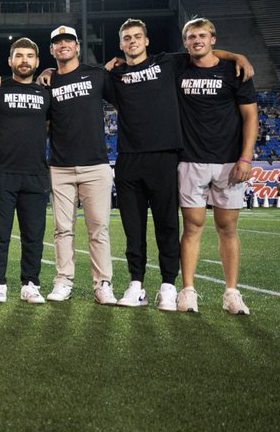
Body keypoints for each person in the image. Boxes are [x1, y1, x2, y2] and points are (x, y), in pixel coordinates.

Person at [106, 18, 252, 309]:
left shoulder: (167, 63)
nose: (132, 41)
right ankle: (136, 284)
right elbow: (81, 78)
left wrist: (238, 56)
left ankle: (169, 286)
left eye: (137, 36)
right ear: (121, 44)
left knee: (168, 226)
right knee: (133, 229)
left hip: (166, 156)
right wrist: (48, 71)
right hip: (129, 158)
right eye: (127, 38)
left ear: (147, 41)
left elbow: (202, 50)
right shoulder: (114, 73)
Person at [175, 17, 257, 315]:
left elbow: (250, 116)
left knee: (227, 228)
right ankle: (188, 290)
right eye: (191, 36)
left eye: (202, 35)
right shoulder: (179, 67)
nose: (197, 40)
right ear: (185, 42)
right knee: (192, 226)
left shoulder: (234, 71)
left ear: (213, 39)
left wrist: (245, 158)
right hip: (190, 159)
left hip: (228, 162)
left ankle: (231, 292)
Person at [44, 25, 118, 305]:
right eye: (58, 42)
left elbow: (124, 98)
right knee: (62, 229)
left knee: (98, 228)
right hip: (60, 166)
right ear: (52, 49)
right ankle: (63, 280)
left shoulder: (97, 75)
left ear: (77, 46)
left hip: (95, 165)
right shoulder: (48, 82)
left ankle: (103, 283)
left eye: (68, 41)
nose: (63, 45)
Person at [0, 38, 50, 304]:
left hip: (36, 173)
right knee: (0, 234)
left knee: (33, 235)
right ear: (10, 60)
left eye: (30, 56)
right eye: (19, 55)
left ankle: (30, 284)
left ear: (37, 61)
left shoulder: (45, 92)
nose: (25, 60)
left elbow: (50, 124)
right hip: (4, 171)